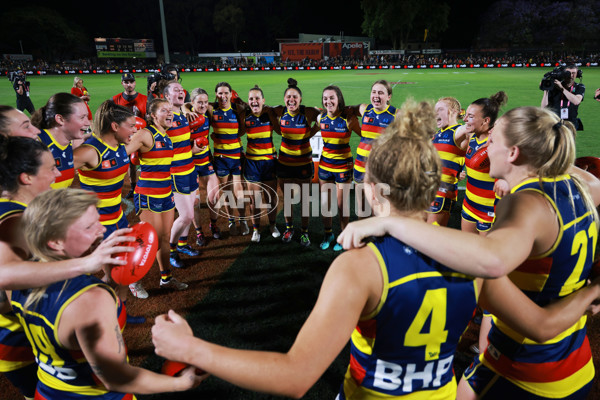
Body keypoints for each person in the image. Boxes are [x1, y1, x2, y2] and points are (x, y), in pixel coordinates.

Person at [150, 100, 481, 399]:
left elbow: (294, 377)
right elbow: (532, 330)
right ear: (434, 184)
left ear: (370, 190)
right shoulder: (479, 258)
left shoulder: (361, 267)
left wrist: (192, 349)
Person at [337, 106, 600, 400]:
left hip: (524, 370)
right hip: (576, 359)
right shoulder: (585, 185)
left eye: (492, 141)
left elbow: (492, 260)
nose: (485, 145)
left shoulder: (525, 204)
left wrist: (391, 221)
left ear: (513, 153)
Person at [10, 188, 205, 399]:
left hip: (48, 390)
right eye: (89, 226)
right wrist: (180, 383)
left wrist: (104, 274)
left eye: (98, 220)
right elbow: (117, 379)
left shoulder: (18, 276)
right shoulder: (92, 299)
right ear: (55, 242)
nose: (102, 230)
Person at [126, 98, 189, 297]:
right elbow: (122, 153)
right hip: (148, 194)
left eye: (170, 110)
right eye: (164, 110)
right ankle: (133, 280)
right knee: (148, 240)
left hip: (165, 193)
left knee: (164, 238)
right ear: (153, 116)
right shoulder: (146, 134)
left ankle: (166, 277)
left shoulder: (167, 136)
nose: (170, 113)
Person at [273, 78, 321, 245]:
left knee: (305, 200)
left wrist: (315, 128)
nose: (291, 100)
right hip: (284, 164)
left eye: (295, 97)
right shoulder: (279, 111)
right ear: (284, 99)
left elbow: (325, 115)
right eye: (288, 97)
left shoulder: (308, 112)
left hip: (303, 165)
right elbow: (259, 110)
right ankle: (289, 228)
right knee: (287, 199)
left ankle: (305, 232)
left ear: (300, 99)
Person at [317, 85, 361, 251]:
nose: (328, 101)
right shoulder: (321, 118)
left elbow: (365, 136)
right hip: (324, 166)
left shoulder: (348, 119)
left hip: (343, 166)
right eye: (325, 98)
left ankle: (343, 237)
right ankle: (328, 234)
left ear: (339, 100)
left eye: (332, 98)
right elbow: (310, 129)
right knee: (326, 203)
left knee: (342, 204)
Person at [163, 81, 202, 268]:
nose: (180, 91)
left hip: (190, 169)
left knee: (192, 206)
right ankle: (171, 250)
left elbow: (183, 146)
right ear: (166, 96)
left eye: (181, 89)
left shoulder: (184, 115)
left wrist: (195, 148)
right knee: (186, 215)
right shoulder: (166, 117)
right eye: (175, 90)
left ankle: (183, 243)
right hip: (176, 172)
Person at [460, 91, 508, 235]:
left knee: (485, 255)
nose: (465, 119)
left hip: (489, 211)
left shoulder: (499, 143)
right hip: (468, 205)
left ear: (486, 121)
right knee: (468, 250)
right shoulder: (471, 137)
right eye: (466, 114)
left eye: (471, 116)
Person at [209, 81, 249, 236]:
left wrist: (225, 137)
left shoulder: (237, 109)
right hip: (220, 158)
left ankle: (243, 220)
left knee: (239, 191)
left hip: (236, 156)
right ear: (216, 95)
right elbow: (189, 104)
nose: (223, 96)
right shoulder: (212, 109)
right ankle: (232, 220)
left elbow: (242, 131)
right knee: (226, 191)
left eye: (226, 93)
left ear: (231, 94)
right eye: (220, 93)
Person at [242, 85, 281, 243]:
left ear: (263, 100)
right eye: (251, 98)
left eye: (257, 98)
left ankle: (273, 226)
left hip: (269, 162)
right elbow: (239, 133)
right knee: (254, 199)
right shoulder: (245, 116)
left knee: (270, 197)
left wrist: (272, 113)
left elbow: (279, 131)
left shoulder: (269, 114)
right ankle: (256, 229)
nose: (254, 101)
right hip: (252, 162)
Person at [31, 93, 91, 188]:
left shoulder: (67, 143)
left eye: (87, 116)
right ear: (60, 119)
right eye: (82, 117)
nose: (88, 123)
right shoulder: (34, 144)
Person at [187, 87, 222, 245]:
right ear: (192, 102)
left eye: (205, 102)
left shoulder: (208, 113)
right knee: (194, 201)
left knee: (214, 196)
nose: (202, 105)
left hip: (205, 162)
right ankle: (199, 232)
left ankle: (213, 225)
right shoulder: (184, 118)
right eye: (199, 102)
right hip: (189, 164)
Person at [427, 97, 466, 226]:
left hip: (442, 194)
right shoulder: (437, 135)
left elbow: (471, 129)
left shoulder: (458, 132)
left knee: (432, 237)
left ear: (453, 111)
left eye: (440, 109)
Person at [112, 72, 148, 199]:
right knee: (129, 163)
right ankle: (133, 187)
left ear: (135, 83)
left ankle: (145, 186)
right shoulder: (115, 99)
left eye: (131, 82)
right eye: (126, 82)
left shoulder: (144, 98)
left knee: (145, 161)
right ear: (122, 83)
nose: (129, 84)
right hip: (123, 137)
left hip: (142, 136)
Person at [541, 64, 585, 130]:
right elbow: (544, 107)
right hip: (554, 122)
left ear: (577, 74)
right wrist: (546, 90)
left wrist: (562, 89)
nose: (571, 75)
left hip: (570, 124)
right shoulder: (554, 87)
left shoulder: (579, 86)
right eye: (568, 73)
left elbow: (576, 101)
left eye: (573, 73)